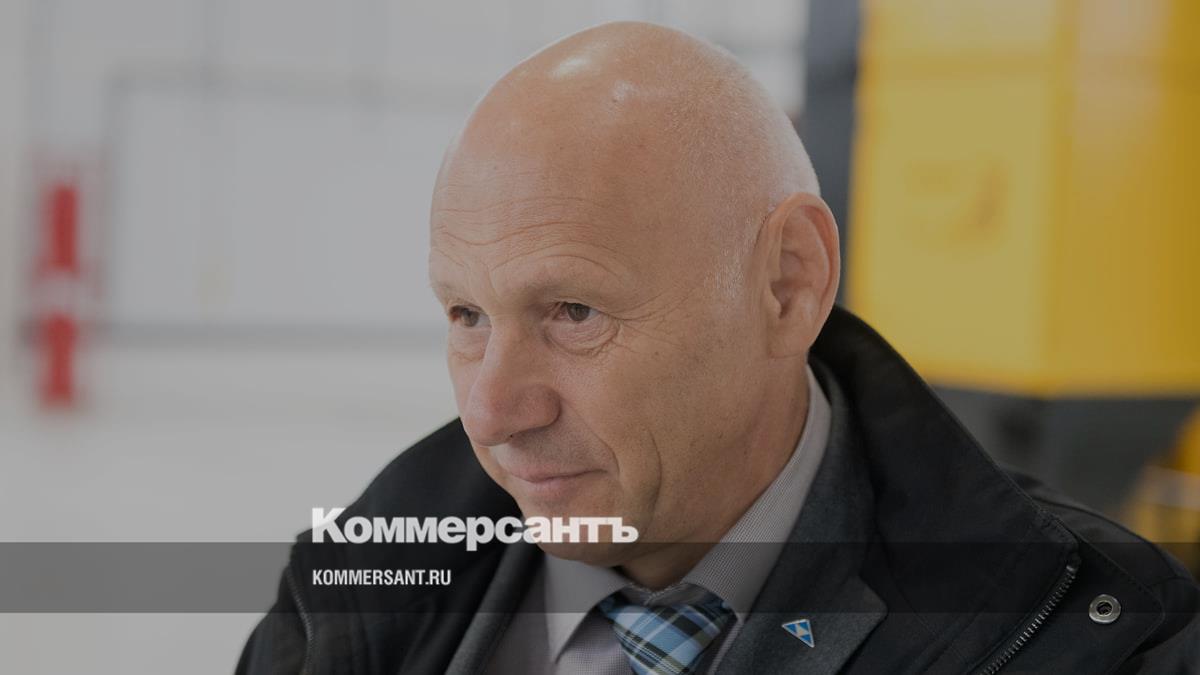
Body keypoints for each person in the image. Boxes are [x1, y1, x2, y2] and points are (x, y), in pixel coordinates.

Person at [237, 21, 1200, 675]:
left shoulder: (1101, 636)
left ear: (787, 282)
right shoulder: (348, 590)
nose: (492, 413)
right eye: (466, 316)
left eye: (574, 311)